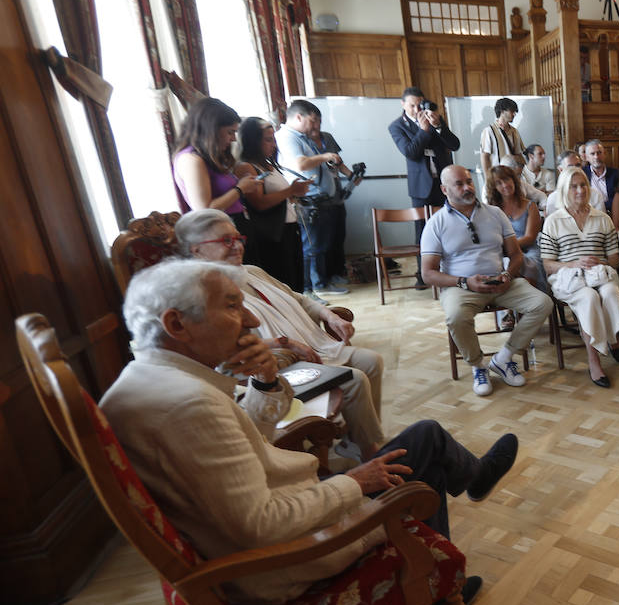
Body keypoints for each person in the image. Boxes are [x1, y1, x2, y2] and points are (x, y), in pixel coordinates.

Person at [100, 258, 519, 605]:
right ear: (176, 325)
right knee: (419, 467)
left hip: (274, 523)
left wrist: (264, 382)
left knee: (422, 439)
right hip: (292, 554)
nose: (248, 319)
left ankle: (472, 481)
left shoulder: (147, 382)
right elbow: (264, 525)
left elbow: (245, 436)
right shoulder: (188, 405)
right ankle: (427, 598)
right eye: (230, 306)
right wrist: (355, 481)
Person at [177, 209, 389, 459]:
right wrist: (285, 343)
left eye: (237, 238)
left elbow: (297, 298)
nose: (236, 246)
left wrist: (330, 315)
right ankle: (369, 451)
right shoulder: (201, 293)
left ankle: (355, 439)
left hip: (314, 346)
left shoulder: (251, 271)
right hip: (273, 363)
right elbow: (226, 348)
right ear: (196, 250)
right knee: (354, 379)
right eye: (226, 240)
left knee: (371, 361)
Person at [420, 165, 554, 397]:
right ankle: (478, 365)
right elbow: (428, 273)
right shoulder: (436, 223)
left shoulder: (495, 213)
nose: (467, 187)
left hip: (500, 281)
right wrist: (465, 282)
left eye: (469, 181)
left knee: (542, 303)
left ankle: (503, 358)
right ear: (444, 189)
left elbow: (516, 255)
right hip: (461, 286)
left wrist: (508, 275)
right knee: (456, 316)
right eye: (459, 184)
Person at [540, 169, 619, 387]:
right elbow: (548, 264)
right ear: (564, 190)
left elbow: (615, 259)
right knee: (588, 297)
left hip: (599, 274)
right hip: (568, 277)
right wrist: (573, 264)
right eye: (574, 186)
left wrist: (600, 262)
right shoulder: (554, 221)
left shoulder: (602, 218)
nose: (580, 190)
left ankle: (614, 339)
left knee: (609, 292)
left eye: (583, 185)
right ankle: (594, 359)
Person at [276, 100, 350, 300]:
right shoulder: (287, 137)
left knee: (322, 245)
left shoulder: (302, 137)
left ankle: (322, 282)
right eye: (313, 120)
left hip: (320, 199)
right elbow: (300, 164)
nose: (316, 125)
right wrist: (325, 156)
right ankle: (313, 287)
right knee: (312, 247)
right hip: (308, 201)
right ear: (299, 117)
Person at [388, 87, 460, 289]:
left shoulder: (434, 118)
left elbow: (454, 145)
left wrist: (438, 126)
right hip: (421, 187)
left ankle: (450, 271)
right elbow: (411, 152)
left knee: (450, 227)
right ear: (403, 105)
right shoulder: (396, 126)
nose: (417, 109)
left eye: (419, 104)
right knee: (423, 232)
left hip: (445, 183)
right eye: (412, 105)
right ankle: (423, 275)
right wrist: (423, 130)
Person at [233, 116, 312, 292]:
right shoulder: (246, 167)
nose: (273, 145)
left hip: (289, 228)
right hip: (272, 235)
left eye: (274, 139)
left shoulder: (268, 165)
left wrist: (294, 194)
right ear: (253, 141)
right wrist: (291, 191)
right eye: (268, 140)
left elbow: (278, 197)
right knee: (283, 283)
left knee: (296, 281)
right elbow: (259, 204)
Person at [171, 97, 262, 247]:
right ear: (211, 129)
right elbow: (204, 208)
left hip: (233, 226)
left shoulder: (209, 157)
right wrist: (240, 189)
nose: (233, 139)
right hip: (218, 236)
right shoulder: (191, 159)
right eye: (230, 132)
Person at [487, 165, 546, 297]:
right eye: (499, 183)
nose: (505, 185)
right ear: (494, 188)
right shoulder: (492, 209)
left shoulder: (530, 205)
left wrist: (510, 247)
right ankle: (510, 308)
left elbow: (530, 237)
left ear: (514, 180)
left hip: (528, 248)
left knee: (531, 261)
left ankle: (535, 300)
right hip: (502, 251)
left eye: (507, 180)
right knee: (499, 264)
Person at [478, 97, 526, 196]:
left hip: (513, 177)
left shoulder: (514, 131)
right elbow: (484, 157)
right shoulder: (489, 131)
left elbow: (518, 155)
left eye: (515, 112)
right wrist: (488, 179)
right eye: (512, 111)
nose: (514, 114)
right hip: (497, 178)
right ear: (502, 111)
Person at [582, 139, 619, 208]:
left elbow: (618, 199)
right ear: (587, 157)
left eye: (599, 153)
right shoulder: (582, 174)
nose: (596, 157)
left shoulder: (616, 174)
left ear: (605, 154)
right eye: (592, 154)